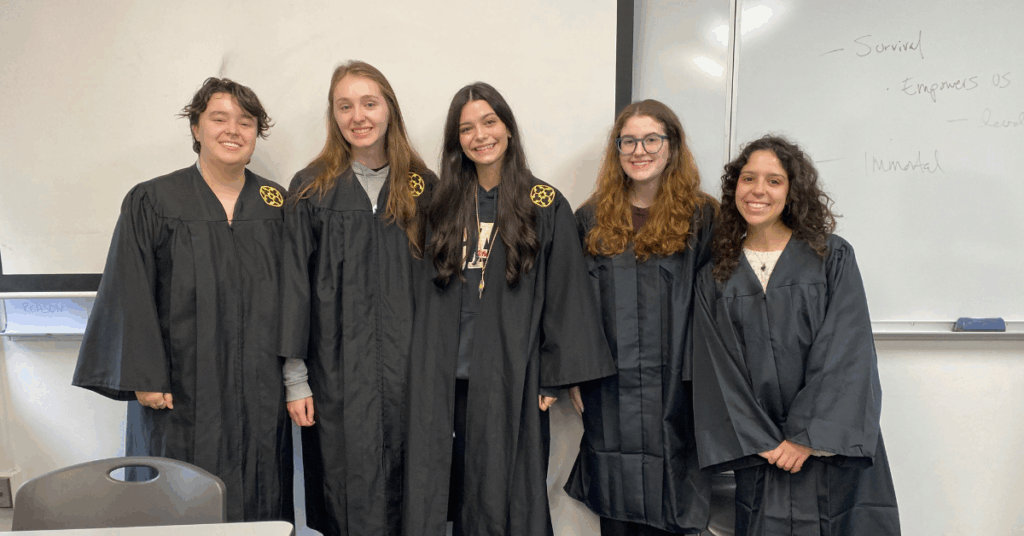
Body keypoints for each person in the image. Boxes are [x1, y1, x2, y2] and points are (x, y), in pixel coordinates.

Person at [72, 77, 293, 522]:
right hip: (178, 391)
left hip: (260, 391)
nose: (233, 130)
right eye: (219, 118)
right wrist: (144, 375)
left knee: (260, 497)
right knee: (177, 501)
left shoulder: (277, 204)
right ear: (196, 128)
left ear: (256, 134)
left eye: (245, 122)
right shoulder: (153, 200)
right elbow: (128, 288)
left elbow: (297, 296)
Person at [402, 82, 615, 536]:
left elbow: (565, 294)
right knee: (439, 481)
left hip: (511, 374)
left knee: (507, 486)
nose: (480, 135)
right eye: (466, 128)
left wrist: (551, 375)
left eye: (489, 122)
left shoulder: (544, 204)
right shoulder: (439, 204)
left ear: (508, 129)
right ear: (455, 140)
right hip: (441, 375)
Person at [692, 135, 901, 535]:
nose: (758, 190)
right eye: (748, 178)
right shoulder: (716, 274)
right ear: (734, 187)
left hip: (827, 449)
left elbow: (847, 351)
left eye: (774, 180)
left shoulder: (831, 257)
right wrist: (762, 440)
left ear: (792, 191)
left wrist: (806, 437)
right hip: (762, 454)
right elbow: (715, 366)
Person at [279, 60, 435, 536]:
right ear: (334, 115)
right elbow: (293, 288)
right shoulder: (310, 188)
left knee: (413, 491)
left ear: (390, 109)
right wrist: (296, 379)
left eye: (369, 103)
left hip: (411, 374)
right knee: (344, 490)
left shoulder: (423, 188)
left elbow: (444, 292)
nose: (358, 116)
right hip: (334, 376)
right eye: (344, 106)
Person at [564, 99, 717, 535]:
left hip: (679, 390)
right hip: (611, 390)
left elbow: (721, 306)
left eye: (652, 139)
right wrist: (575, 372)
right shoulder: (590, 220)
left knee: (677, 498)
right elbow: (570, 306)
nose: (639, 150)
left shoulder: (703, 217)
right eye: (628, 141)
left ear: (672, 146)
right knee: (618, 506)